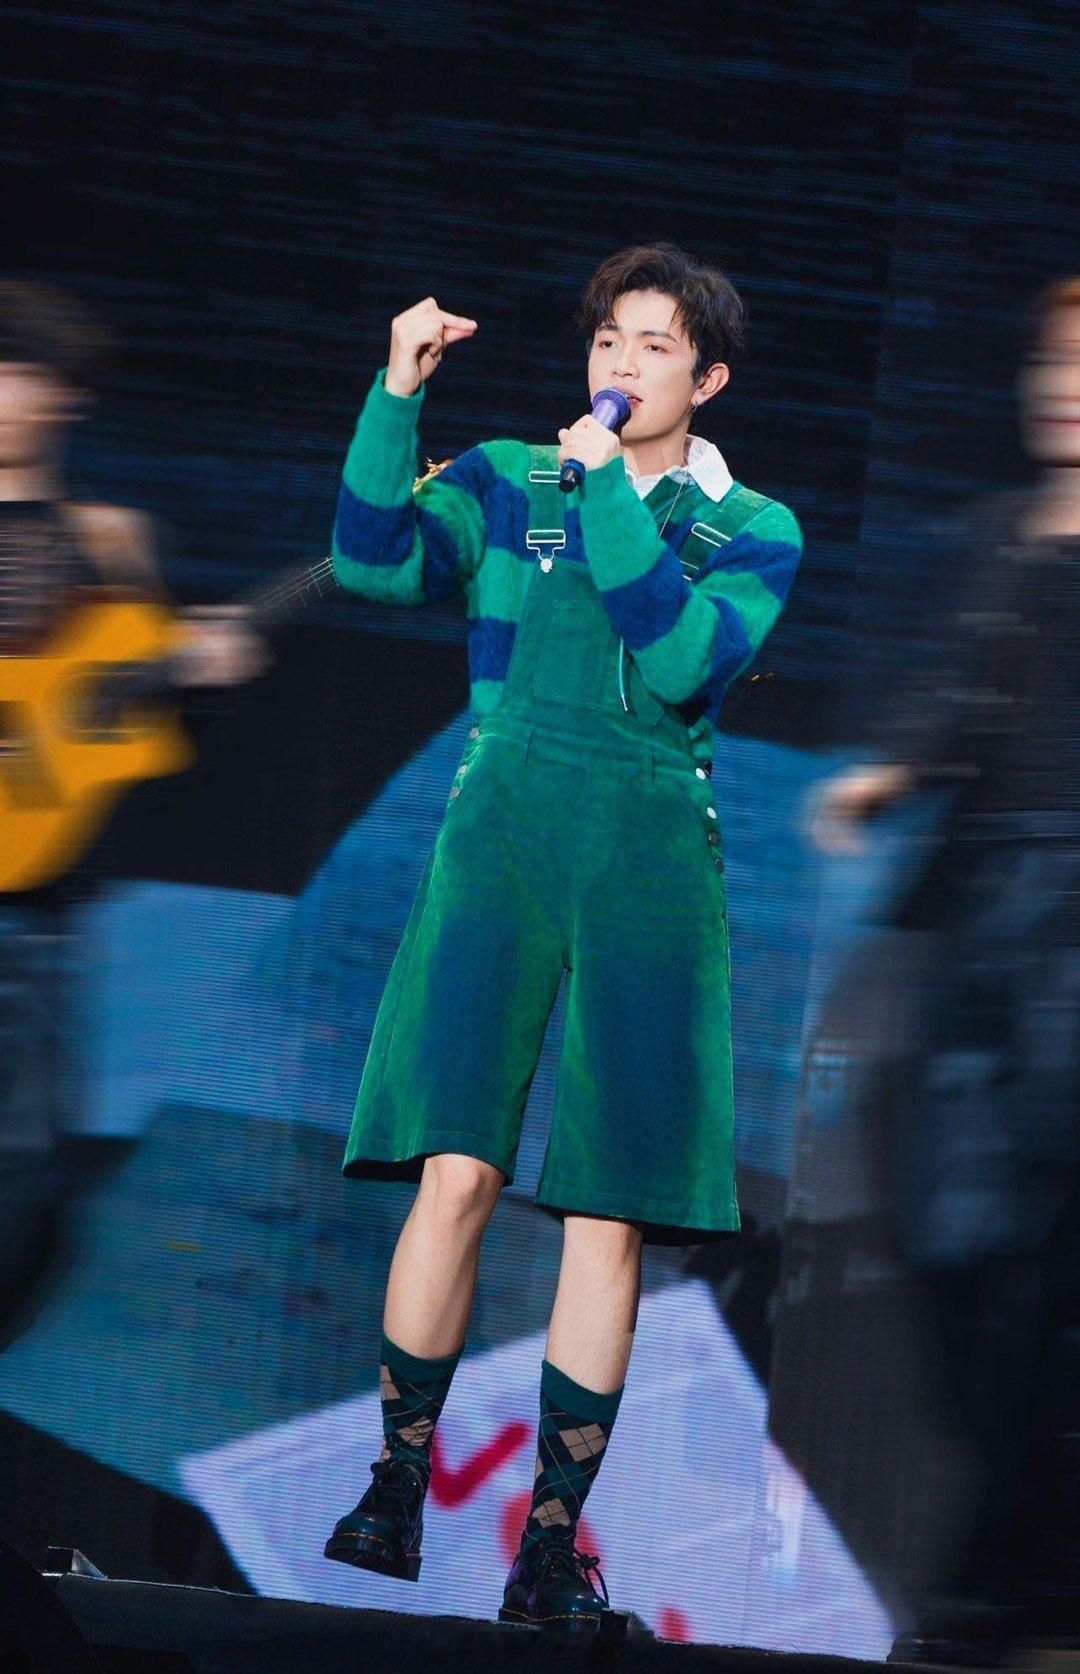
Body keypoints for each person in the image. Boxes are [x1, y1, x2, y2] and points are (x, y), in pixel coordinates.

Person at [322, 243, 803, 1630]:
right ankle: (395, 1484)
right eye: (608, 338)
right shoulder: (506, 478)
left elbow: (681, 657)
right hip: (504, 833)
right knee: (455, 1167)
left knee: (609, 1207)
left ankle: (547, 1541)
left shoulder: (753, 526)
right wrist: (398, 396)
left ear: (707, 379)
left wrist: (603, 494)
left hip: (651, 858)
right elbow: (368, 559)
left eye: (655, 346)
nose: (622, 363)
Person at [810, 277, 1079, 1667]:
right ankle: (1022, 1555)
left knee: (1036, 1243)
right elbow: (946, 700)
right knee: (940, 1222)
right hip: (978, 911)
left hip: (1073, 924)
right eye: (1052, 361)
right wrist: (887, 773)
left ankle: (1009, 1575)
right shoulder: (998, 534)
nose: (1061, 386)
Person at [0, 279, 267, 1349]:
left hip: (43, 910)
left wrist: (202, 673)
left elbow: (133, 726)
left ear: (66, 395)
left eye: (25, 373)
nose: (6, 395)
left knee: (25, 1177)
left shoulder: (109, 539)